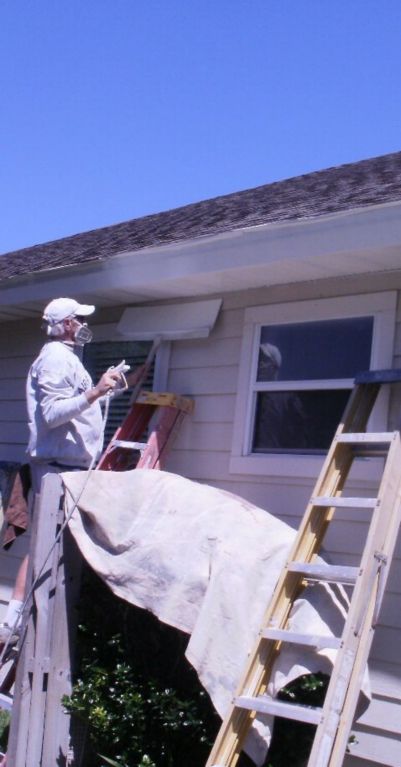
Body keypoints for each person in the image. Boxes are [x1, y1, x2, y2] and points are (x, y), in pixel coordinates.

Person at [0, 297, 144, 644]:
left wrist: (121, 383)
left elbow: (78, 408)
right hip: (56, 470)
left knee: (50, 543)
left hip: (69, 467)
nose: (83, 325)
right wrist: (95, 391)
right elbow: (52, 415)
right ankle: (14, 624)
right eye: (79, 319)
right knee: (44, 545)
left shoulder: (68, 360)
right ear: (66, 324)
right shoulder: (53, 360)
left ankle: (16, 620)